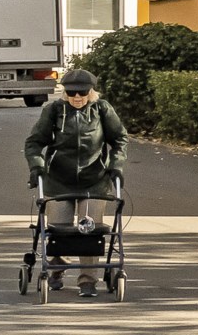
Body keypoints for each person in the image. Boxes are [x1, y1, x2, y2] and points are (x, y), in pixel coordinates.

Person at [25, 68, 127, 297]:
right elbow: (34, 142)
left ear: (91, 92)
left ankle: (88, 280)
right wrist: (37, 166)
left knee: (88, 230)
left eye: (82, 93)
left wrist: (116, 165)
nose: (77, 98)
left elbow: (119, 139)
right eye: (72, 93)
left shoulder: (102, 109)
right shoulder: (54, 110)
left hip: (94, 181)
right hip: (59, 180)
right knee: (59, 231)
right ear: (65, 93)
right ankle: (57, 270)